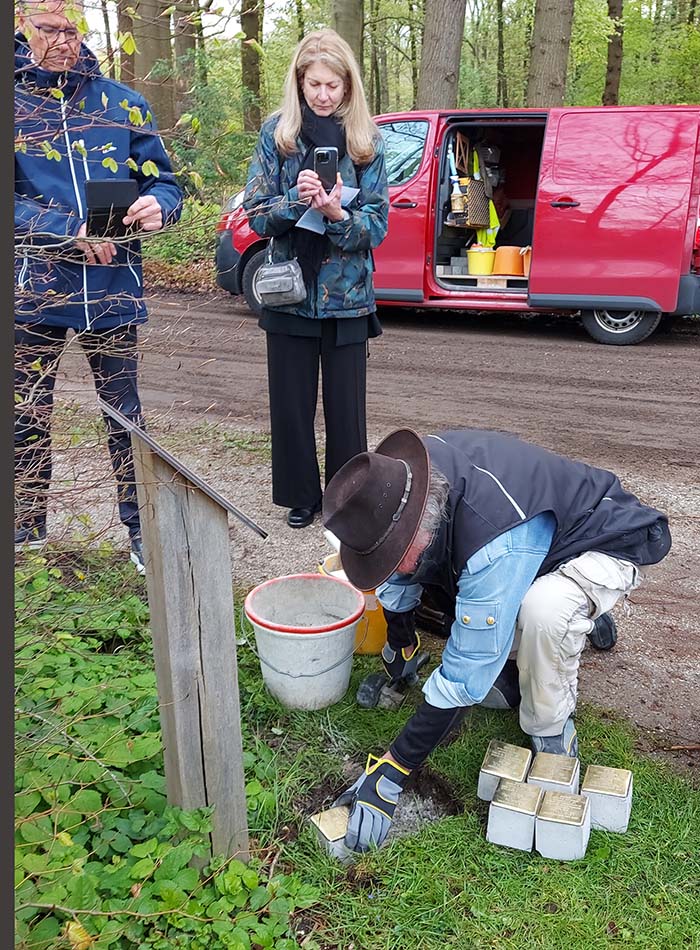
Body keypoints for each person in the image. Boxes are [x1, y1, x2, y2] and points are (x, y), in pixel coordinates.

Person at [322, 427, 672, 852]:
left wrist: (393, 770)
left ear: (420, 527)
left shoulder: (491, 542)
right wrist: (400, 642)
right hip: (537, 538)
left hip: (603, 536)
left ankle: (552, 727)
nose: (388, 566)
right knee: (494, 650)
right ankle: (564, 614)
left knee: (545, 613)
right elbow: (396, 579)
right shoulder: (400, 483)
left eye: (391, 555)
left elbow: (466, 669)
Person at [14, 0, 183, 571]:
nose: (62, 40)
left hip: (112, 287)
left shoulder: (122, 104)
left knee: (125, 416)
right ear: (21, 24)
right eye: (48, 29)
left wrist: (158, 205)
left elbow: (166, 182)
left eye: (70, 29)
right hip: (35, 289)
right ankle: (25, 530)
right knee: (27, 412)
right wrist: (67, 230)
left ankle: (140, 536)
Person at [243, 29, 389, 529]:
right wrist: (295, 201)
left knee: (347, 412)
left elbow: (378, 224)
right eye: (314, 85)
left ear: (349, 87)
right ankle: (301, 496)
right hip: (289, 293)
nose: (324, 96)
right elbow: (256, 216)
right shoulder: (276, 137)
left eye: (334, 86)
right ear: (299, 84)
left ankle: (346, 498)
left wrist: (336, 215)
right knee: (290, 403)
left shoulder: (366, 142)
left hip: (348, 297)